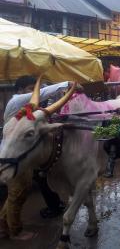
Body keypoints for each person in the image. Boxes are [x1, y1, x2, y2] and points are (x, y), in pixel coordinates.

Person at [0, 76, 69, 240]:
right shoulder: (17, 102)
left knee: (16, 193)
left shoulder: (26, 106)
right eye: (31, 89)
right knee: (18, 192)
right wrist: (67, 84)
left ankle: (3, 226)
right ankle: (16, 231)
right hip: (14, 157)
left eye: (34, 88)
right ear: (20, 91)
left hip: (20, 155)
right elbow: (44, 92)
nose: (34, 93)